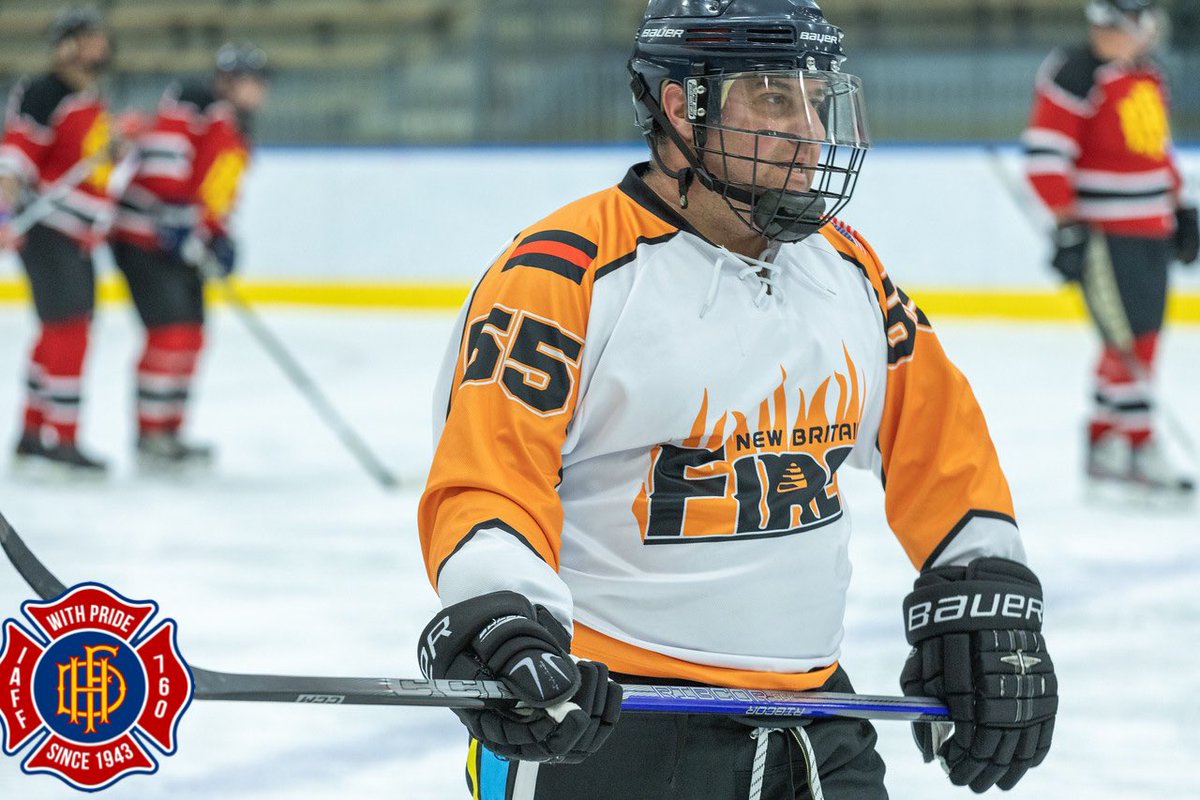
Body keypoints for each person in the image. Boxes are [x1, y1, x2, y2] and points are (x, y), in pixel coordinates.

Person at [417, 1, 1058, 798]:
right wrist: (502, 615)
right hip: (606, 723)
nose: (813, 133)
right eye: (775, 99)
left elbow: (939, 439)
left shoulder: (847, 266)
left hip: (816, 720)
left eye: (817, 99)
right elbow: (488, 480)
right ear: (685, 106)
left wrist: (981, 588)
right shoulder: (562, 274)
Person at [1023, 0, 1197, 497]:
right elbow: (1044, 155)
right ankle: (1138, 447)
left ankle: (1104, 443)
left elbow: (1155, 150)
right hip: (1106, 236)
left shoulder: (1149, 75)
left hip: (1151, 230)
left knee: (1132, 340)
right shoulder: (1076, 72)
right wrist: (1069, 225)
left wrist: (1177, 204)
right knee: (1132, 342)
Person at [109, 43, 269, 468]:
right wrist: (178, 218)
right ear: (230, 80)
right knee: (171, 334)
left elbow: (217, 192)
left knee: (193, 337)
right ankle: (149, 435)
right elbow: (165, 161)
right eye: (253, 81)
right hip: (144, 239)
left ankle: (170, 430)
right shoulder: (195, 100)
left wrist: (218, 236)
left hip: (183, 246)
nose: (260, 91)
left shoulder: (239, 128)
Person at [0, 7, 114, 476]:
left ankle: (32, 433)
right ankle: (61, 441)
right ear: (66, 44)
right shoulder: (46, 91)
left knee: (60, 330)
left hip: (76, 234)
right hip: (48, 229)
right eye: (89, 38)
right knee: (69, 330)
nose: (100, 46)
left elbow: (81, 160)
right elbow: (15, 156)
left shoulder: (89, 96)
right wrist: (3, 211)